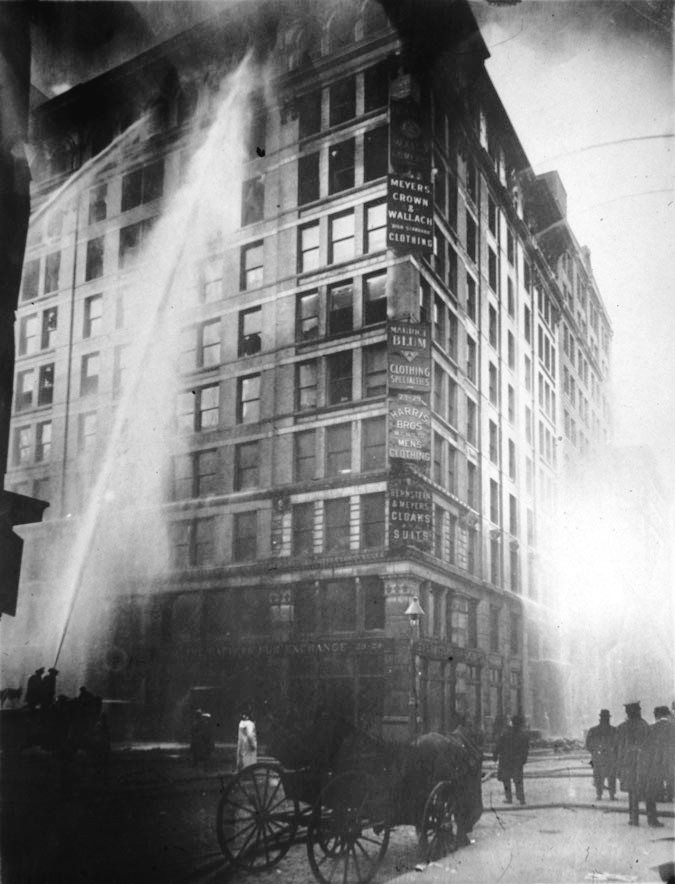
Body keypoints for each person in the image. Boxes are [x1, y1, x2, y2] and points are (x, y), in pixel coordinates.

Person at [615, 700, 655, 826]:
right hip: (644, 762)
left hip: (627, 764)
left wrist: (619, 765)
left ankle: (634, 819)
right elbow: (651, 745)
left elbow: (617, 748)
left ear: (627, 713)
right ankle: (651, 819)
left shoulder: (621, 728)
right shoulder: (645, 725)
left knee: (632, 792)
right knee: (649, 790)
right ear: (638, 711)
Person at [493, 713, 530, 805]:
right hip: (517, 760)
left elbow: (498, 745)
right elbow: (526, 749)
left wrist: (495, 755)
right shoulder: (524, 735)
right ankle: (521, 798)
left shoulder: (505, 733)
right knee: (518, 779)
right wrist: (523, 759)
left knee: (506, 780)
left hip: (506, 760)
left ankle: (508, 798)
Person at [644, 706, 675, 807]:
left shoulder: (651, 728)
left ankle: (660, 796)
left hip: (656, 757)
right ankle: (670, 795)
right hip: (670, 756)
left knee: (658, 776)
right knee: (671, 775)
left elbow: (647, 744)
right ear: (667, 714)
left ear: (656, 715)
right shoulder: (672, 727)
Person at [585, 709, 617, 800]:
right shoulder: (614, 730)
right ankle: (611, 795)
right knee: (611, 777)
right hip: (610, 757)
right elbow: (618, 745)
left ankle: (599, 795)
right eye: (606, 718)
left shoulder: (593, 730)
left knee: (599, 776)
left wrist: (595, 752)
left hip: (598, 757)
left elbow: (588, 745)